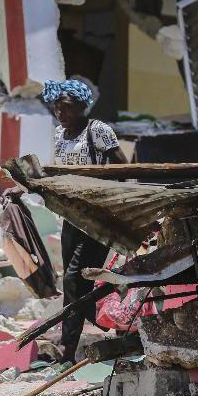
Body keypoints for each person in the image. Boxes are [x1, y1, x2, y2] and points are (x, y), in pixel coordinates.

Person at [42, 79, 127, 364]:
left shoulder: (98, 130)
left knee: (74, 278)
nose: (60, 114)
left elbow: (123, 167)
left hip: (96, 217)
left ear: (81, 106)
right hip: (71, 216)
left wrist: (98, 187)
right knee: (75, 280)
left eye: (65, 108)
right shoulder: (58, 134)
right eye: (56, 108)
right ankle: (102, 326)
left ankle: (68, 348)